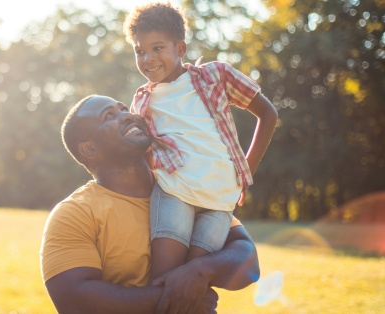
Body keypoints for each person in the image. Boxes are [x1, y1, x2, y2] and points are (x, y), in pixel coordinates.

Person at [40, 95, 260, 313]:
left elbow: (248, 258)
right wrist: (181, 298)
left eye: (124, 108)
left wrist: (200, 271)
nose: (127, 116)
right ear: (89, 150)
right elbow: (74, 301)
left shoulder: (184, 186)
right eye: (109, 116)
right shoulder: (74, 214)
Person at [122, 2, 278, 281]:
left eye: (157, 48)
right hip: (173, 195)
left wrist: (246, 172)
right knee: (165, 278)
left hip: (219, 201)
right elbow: (144, 154)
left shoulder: (215, 76)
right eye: (139, 51)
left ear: (180, 49)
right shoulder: (142, 100)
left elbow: (268, 114)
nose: (147, 58)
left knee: (193, 281)